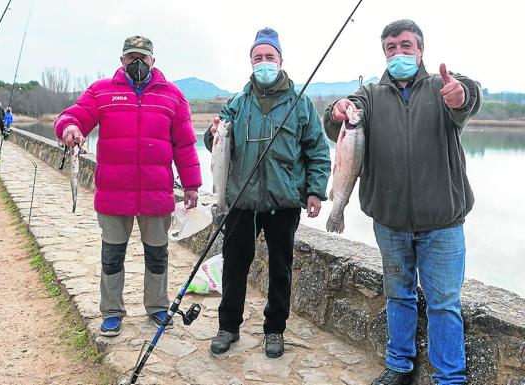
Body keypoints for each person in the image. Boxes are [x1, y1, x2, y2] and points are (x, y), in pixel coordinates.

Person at [323, 20, 482, 385]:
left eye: (405, 46)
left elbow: (468, 96)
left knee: (444, 303)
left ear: (420, 50)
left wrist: (463, 96)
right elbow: (338, 123)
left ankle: (450, 376)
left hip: (443, 222)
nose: (398, 53)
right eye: (391, 47)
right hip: (390, 223)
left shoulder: (442, 87)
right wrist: (337, 111)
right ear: (384, 53)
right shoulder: (371, 95)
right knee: (398, 295)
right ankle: (399, 365)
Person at [54, 35, 202, 336]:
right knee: (112, 256)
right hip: (113, 193)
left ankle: (158, 306)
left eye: (143, 57)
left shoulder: (172, 96)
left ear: (153, 61)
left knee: (157, 255)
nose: (137, 62)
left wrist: (192, 185)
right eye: (131, 57)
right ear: (122, 60)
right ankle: (111, 311)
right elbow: (75, 116)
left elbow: (185, 144)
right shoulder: (101, 92)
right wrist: (69, 127)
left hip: (156, 193)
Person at [206, 27, 331, 358]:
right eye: (258, 57)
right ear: (251, 62)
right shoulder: (235, 104)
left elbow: (318, 152)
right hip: (241, 202)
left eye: (269, 57)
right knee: (234, 267)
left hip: (284, 202)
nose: (264, 63)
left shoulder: (301, 104)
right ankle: (228, 326)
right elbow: (215, 146)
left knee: (281, 269)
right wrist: (212, 133)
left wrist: (315, 191)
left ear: (280, 60)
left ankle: (275, 330)